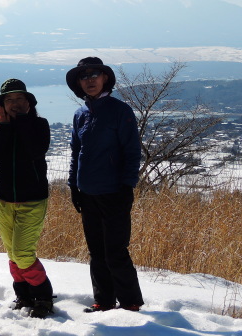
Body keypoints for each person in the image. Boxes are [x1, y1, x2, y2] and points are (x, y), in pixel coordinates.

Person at [66, 57, 144, 313]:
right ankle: (104, 301)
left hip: (114, 192)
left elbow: (132, 152)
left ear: (105, 78)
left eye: (94, 75)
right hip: (87, 193)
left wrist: (126, 186)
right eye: (84, 76)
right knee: (96, 251)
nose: (90, 80)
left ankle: (130, 302)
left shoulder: (120, 111)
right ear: (79, 82)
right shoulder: (81, 114)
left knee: (116, 251)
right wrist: (73, 187)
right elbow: (76, 153)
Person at [0, 79, 54, 318]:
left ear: (29, 102)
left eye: (20, 99)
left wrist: (20, 122)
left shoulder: (39, 125)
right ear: (1, 105)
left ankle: (43, 296)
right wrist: (4, 127)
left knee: (23, 253)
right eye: (9, 100)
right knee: (13, 253)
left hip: (32, 199)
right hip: (3, 200)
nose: (15, 104)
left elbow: (35, 150)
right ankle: (23, 295)